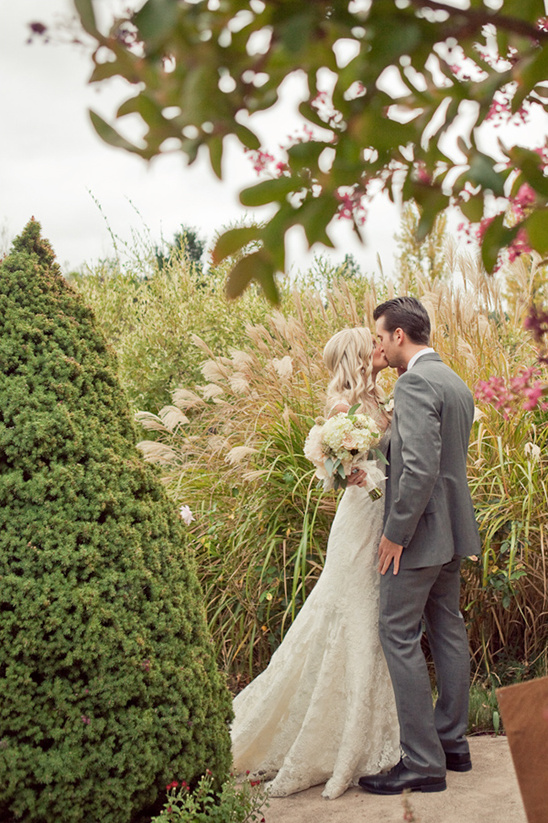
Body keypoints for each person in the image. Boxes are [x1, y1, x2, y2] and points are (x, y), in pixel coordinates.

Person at [230, 327, 400, 799]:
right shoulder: (342, 406)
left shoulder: (376, 395)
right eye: (372, 342)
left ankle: (367, 733)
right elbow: (334, 472)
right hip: (362, 517)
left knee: (369, 615)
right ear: (358, 354)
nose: (379, 345)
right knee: (353, 613)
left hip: (380, 511)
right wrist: (354, 475)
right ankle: (342, 741)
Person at [358, 296, 481, 796]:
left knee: (397, 631)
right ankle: (453, 743)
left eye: (381, 336)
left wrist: (395, 534)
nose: (379, 345)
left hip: (419, 536)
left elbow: (421, 470)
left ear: (400, 336)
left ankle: (424, 762)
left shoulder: (412, 384)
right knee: (448, 629)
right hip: (453, 532)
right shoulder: (455, 382)